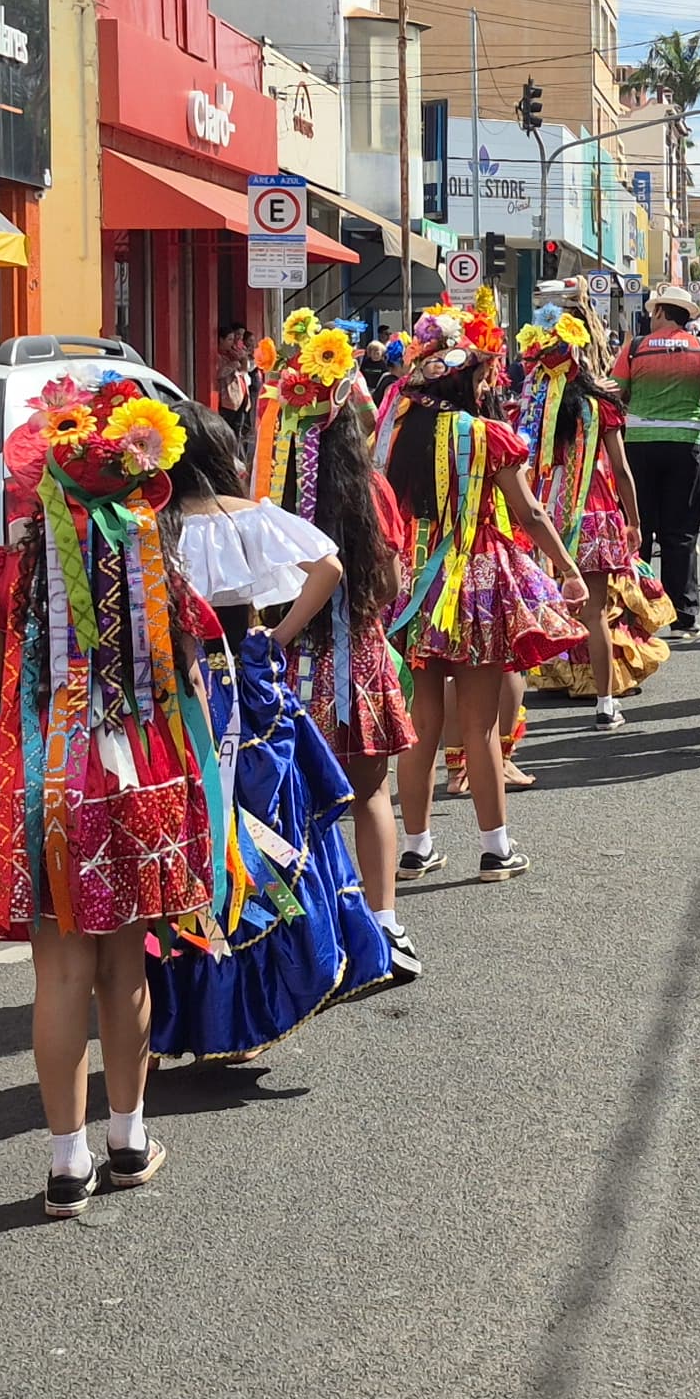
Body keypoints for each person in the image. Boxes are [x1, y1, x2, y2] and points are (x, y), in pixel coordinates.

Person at [0, 372, 219, 1216]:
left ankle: (66, 1163)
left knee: (58, 976)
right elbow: (190, 694)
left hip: (39, 786)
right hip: (138, 778)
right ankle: (128, 1139)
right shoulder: (155, 567)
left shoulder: (7, 575)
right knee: (126, 966)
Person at [150, 397, 403, 1061]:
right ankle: (264, 994)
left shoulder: (153, 527)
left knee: (197, 841)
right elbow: (329, 565)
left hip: (179, 697)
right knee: (270, 835)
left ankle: (191, 1007)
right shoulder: (247, 517)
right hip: (247, 687)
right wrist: (279, 636)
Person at [387, 299, 583, 879]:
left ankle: (416, 847)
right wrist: (567, 567)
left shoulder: (400, 433)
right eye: (480, 378)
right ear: (462, 383)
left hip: (417, 584)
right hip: (478, 585)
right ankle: (496, 849)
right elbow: (531, 513)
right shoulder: (488, 435)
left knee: (421, 722)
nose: (486, 386)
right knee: (480, 725)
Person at [267, 337, 417, 973]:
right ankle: (384, 924)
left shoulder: (268, 490)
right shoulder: (372, 489)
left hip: (283, 661)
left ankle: (308, 930)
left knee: (291, 803)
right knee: (372, 793)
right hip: (358, 656)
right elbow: (390, 583)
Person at [518, 315, 645, 725]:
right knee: (595, 612)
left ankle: (517, 703)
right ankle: (606, 703)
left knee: (543, 604)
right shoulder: (600, 405)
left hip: (543, 510)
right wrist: (634, 520)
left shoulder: (532, 406)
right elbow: (621, 469)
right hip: (594, 513)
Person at [615, 290, 700, 636]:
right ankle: (683, 616)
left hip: (638, 449)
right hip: (684, 449)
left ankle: (636, 615)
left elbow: (614, 392)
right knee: (680, 533)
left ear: (660, 314)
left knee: (638, 530)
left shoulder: (636, 348)